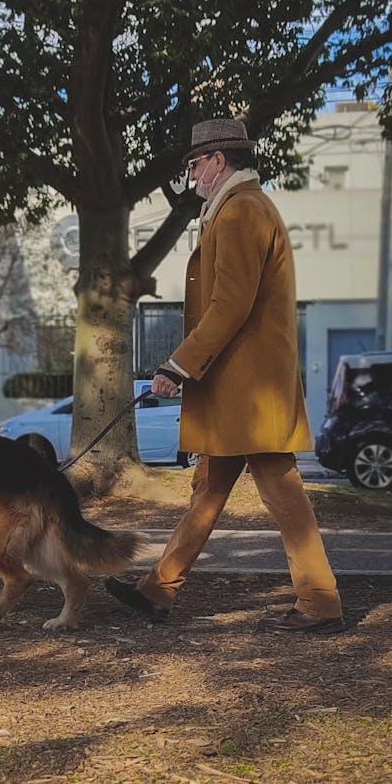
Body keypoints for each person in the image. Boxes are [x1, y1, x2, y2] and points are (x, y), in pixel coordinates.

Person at [107, 117, 344, 636]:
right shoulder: (238, 208)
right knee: (209, 491)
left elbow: (228, 305)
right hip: (240, 390)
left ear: (217, 160)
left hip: (248, 393)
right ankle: (158, 591)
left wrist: (178, 364)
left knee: (282, 494)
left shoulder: (240, 212)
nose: (192, 176)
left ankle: (321, 601)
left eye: (195, 165)